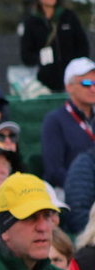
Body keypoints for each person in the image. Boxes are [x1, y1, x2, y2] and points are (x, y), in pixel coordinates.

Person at [20, 0, 89, 93]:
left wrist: (77, 67)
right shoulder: (31, 23)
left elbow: (83, 46)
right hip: (44, 84)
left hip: (72, 80)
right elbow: (26, 55)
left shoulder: (68, 16)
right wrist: (41, 58)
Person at [41, 57, 95, 189]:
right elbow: (54, 170)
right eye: (86, 84)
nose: (93, 89)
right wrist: (83, 188)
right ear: (69, 87)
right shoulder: (54, 120)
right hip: (69, 191)